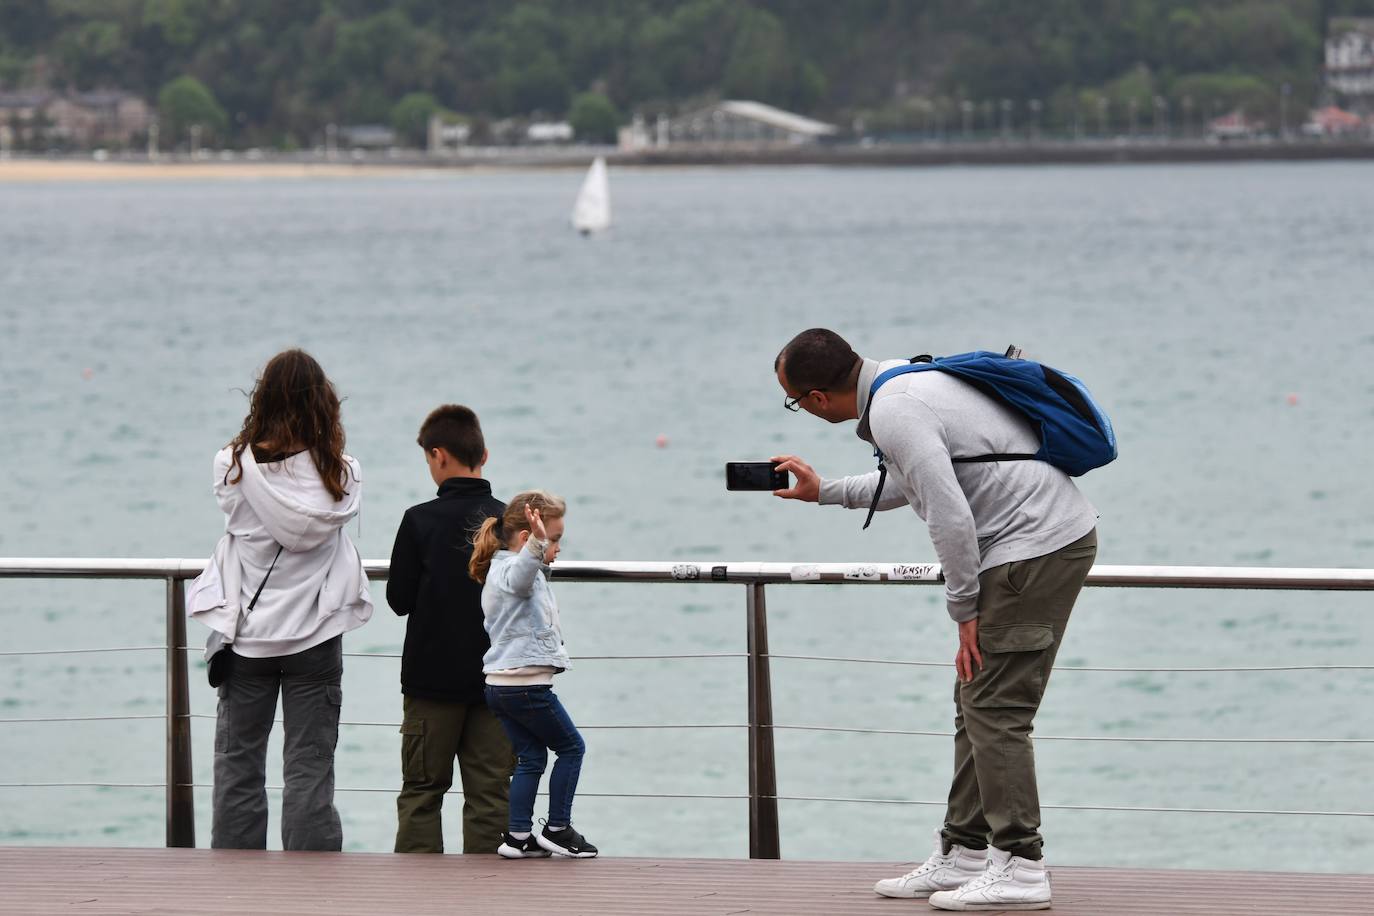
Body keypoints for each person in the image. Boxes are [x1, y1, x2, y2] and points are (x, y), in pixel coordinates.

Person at [771, 328, 1097, 911]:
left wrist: (963, 610)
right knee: (976, 697)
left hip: (1033, 547)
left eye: (795, 402)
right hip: (1030, 543)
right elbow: (917, 481)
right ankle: (965, 852)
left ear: (818, 398)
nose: (803, 411)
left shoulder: (895, 409)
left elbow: (948, 515)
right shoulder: (903, 381)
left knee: (996, 707)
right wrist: (826, 492)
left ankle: (1022, 865)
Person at [187, 348, 373, 850]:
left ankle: (234, 881)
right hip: (316, 637)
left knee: (238, 764)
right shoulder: (343, 473)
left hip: (247, 637)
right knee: (311, 766)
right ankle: (311, 884)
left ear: (262, 399)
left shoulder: (230, 465)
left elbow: (236, 516)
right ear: (323, 404)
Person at [388, 404, 513, 854]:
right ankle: (490, 895)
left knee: (422, 790)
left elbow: (399, 600)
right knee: (491, 794)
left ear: (438, 455)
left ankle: (419, 896)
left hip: (430, 681)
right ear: (485, 454)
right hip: (498, 681)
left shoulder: (419, 520)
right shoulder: (509, 522)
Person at [469, 491, 598, 859]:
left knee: (532, 758)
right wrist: (539, 543)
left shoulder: (501, 569)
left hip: (501, 686)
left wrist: (540, 546)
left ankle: (518, 836)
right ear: (527, 539)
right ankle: (558, 828)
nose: (556, 548)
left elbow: (530, 575)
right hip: (526, 686)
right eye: (554, 539)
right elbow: (525, 573)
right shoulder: (514, 570)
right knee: (572, 748)